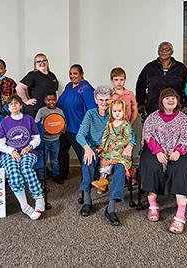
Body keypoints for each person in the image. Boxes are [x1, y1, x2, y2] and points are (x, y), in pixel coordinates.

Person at [140, 88, 187, 234]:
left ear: (177, 101)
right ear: (161, 101)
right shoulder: (152, 118)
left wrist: (179, 150)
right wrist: (158, 151)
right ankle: (153, 204)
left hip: (181, 152)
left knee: (181, 168)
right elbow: (148, 136)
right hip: (157, 150)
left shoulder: (184, 119)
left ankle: (180, 215)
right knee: (150, 162)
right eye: (167, 98)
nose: (170, 100)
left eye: (173, 98)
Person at [77, 86, 134, 226]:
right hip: (95, 148)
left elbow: (131, 133)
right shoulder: (90, 114)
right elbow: (80, 135)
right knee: (88, 161)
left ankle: (111, 208)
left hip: (113, 150)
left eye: (107, 99)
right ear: (96, 100)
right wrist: (87, 149)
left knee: (120, 167)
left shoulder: (115, 113)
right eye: (101, 100)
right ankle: (87, 199)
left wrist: (130, 145)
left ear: (111, 99)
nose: (104, 102)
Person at [0, 95, 45, 220]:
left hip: (27, 152)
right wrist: (12, 151)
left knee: (26, 169)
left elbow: (37, 138)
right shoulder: (4, 122)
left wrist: (29, 146)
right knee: (14, 173)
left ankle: (39, 197)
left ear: (21, 105)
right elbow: (0, 144)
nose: (14, 105)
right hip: (9, 153)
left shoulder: (29, 119)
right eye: (11, 104)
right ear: (8, 107)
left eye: (16, 103)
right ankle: (24, 206)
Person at [57, 64, 96, 182]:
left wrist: (87, 127)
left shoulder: (86, 88)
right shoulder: (69, 86)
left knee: (82, 154)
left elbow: (92, 109)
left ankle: (91, 177)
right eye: (70, 73)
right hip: (64, 126)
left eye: (75, 74)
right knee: (62, 151)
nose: (72, 76)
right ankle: (63, 174)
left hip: (77, 127)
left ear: (81, 74)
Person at [136, 41, 187, 115]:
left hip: (176, 110)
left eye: (167, 50)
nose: (163, 52)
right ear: (158, 52)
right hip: (153, 110)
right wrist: (141, 103)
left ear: (172, 52)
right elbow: (140, 87)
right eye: (161, 49)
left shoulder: (181, 68)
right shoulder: (149, 67)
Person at [91, 100, 133, 193]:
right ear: (111, 112)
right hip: (109, 148)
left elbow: (128, 138)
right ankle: (102, 182)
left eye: (119, 111)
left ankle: (104, 182)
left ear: (124, 111)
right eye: (114, 111)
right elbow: (105, 136)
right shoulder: (110, 123)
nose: (117, 114)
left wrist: (117, 144)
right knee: (104, 160)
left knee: (110, 160)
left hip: (120, 149)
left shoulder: (126, 124)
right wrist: (102, 147)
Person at [35, 92, 65, 184]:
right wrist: (44, 130)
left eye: (53, 100)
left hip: (56, 140)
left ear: (56, 100)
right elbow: (36, 124)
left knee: (55, 160)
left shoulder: (60, 111)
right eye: (48, 100)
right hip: (44, 140)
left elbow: (63, 124)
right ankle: (41, 178)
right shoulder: (41, 111)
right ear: (45, 100)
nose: (51, 102)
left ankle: (55, 175)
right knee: (43, 159)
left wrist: (62, 129)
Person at [16, 53, 59, 117]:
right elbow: (19, 87)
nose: (42, 63)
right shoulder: (33, 74)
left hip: (49, 111)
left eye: (44, 60)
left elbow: (56, 91)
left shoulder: (52, 75)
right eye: (38, 61)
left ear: (47, 62)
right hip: (35, 110)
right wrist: (25, 101)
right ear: (35, 64)